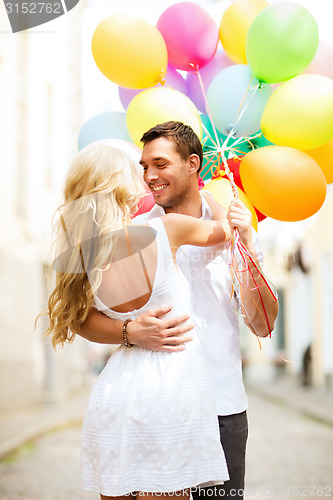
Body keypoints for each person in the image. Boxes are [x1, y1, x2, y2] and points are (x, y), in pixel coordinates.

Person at [78, 122, 279, 499]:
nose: (149, 177)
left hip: (222, 409)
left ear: (192, 164)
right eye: (144, 166)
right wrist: (128, 332)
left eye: (160, 164)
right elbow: (82, 318)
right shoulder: (133, 231)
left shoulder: (235, 231)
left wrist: (247, 247)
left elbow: (263, 323)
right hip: (153, 407)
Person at [42, 143, 241, 499]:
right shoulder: (168, 229)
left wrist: (128, 332)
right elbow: (223, 232)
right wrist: (216, 194)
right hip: (170, 393)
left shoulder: (86, 255)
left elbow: (78, 320)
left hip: (115, 393)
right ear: (122, 185)